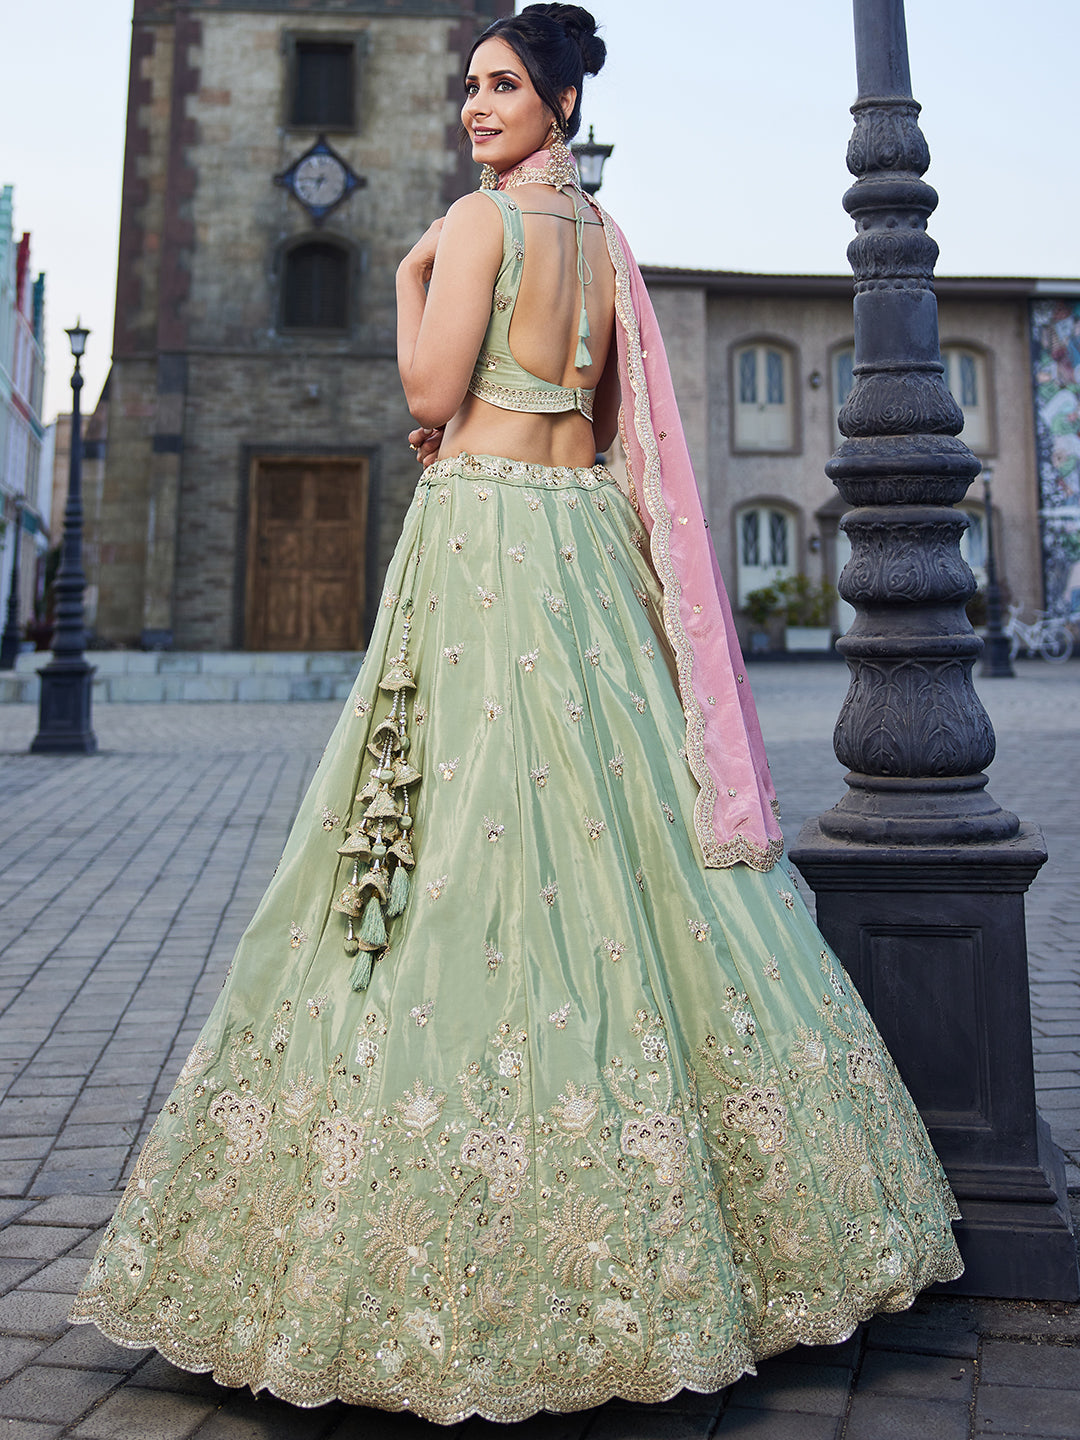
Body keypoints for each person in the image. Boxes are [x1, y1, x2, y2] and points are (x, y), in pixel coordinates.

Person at [71, 5, 963, 1423]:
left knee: (455, 829)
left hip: (484, 540)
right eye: (469, 87)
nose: (476, 109)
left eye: (500, 88)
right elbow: (611, 414)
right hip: (582, 553)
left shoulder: (478, 227)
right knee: (628, 834)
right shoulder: (607, 245)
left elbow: (427, 387)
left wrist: (422, 263)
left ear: (554, 100)